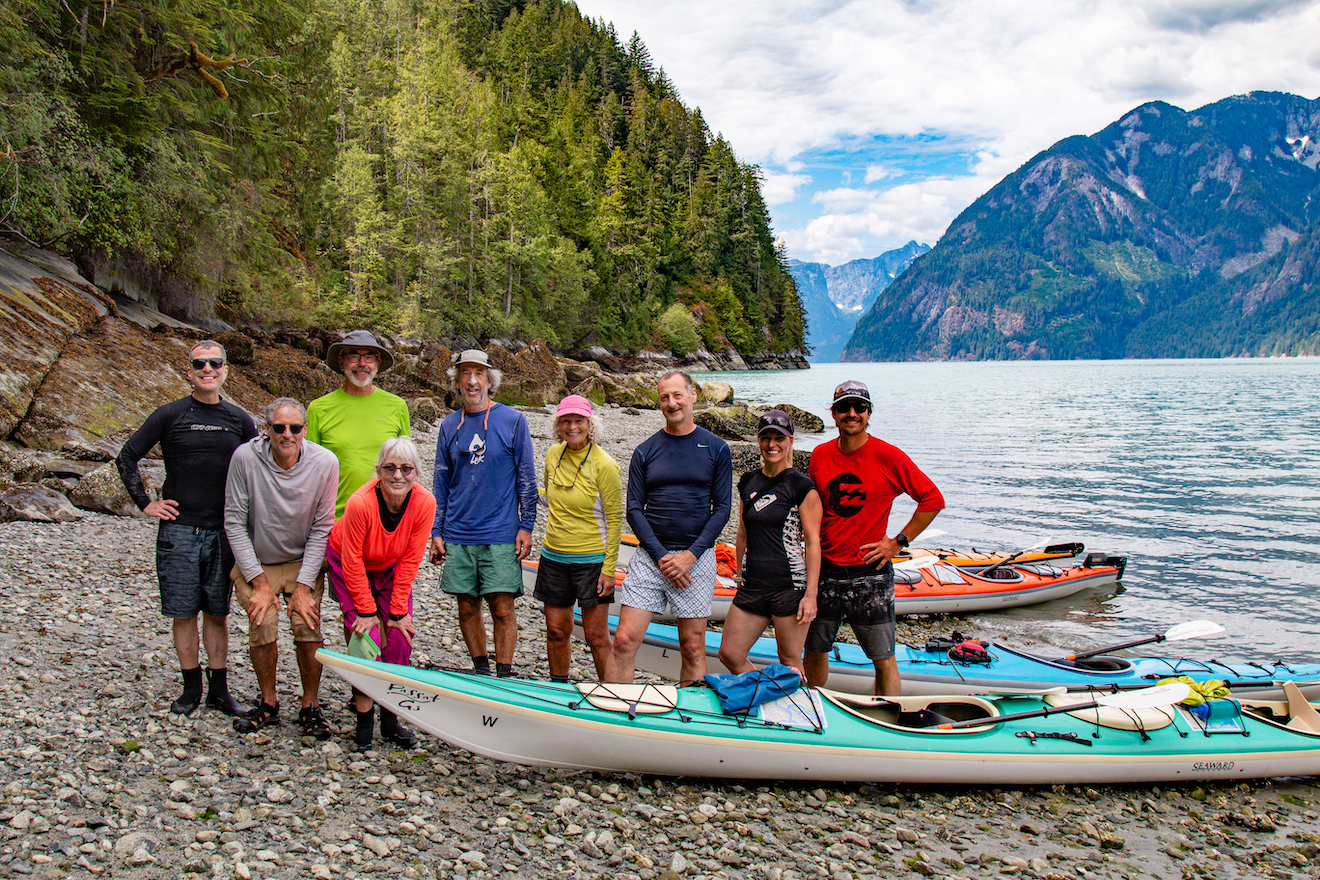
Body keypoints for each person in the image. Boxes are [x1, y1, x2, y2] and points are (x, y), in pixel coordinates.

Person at [115, 340, 257, 716]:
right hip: (179, 531)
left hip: (224, 530)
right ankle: (190, 688)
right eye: (199, 364)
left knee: (217, 612)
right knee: (183, 612)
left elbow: (259, 470)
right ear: (189, 370)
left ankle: (219, 689)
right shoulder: (170, 414)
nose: (207, 369)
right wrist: (146, 503)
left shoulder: (240, 419)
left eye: (215, 363)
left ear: (226, 369)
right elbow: (127, 456)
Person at [804, 380, 944, 695]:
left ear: (868, 414)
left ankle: (887, 718)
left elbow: (932, 499)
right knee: (814, 650)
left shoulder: (887, 456)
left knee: (883, 657)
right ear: (833, 413)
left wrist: (898, 542)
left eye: (859, 408)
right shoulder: (820, 455)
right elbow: (813, 509)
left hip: (870, 572)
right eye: (844, 408)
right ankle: (814, 707)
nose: (851, 414)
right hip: (825, 570)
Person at [606, 370, 732, 684]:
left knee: (692, 647)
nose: (671, 403)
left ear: (692, 396)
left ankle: (689, 719)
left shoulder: (716, 448)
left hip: (696, 560)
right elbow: (634, 510)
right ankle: (612, 708)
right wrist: (663, 557)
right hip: (652, 559)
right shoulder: (645, 451)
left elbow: (723, 509)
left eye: (677, 395)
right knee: (623, 641)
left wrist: (690, 555)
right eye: (665, 397)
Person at [224, 397, 339, 738]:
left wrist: (304, 587)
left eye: (294, 428)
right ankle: (269, 702)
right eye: (278, 428)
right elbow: (233, 522)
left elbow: (323, 527)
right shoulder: (245, 458)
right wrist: (258, 582)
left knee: (306, 622)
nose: (286, 435)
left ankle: (310, 704)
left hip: (303, 558)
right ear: (266, 430)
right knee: (263, 620)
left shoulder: (325, 462)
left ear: (305, 430)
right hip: (259, 559)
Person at [429, 350, 537, 678]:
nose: (472, 380)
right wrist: (437, 531)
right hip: (459, 533)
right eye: (466, 374)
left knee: (502, 607)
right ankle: (481, 670)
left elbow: (527, 477)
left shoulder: (513, 421)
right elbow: (441, 481)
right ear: (458, 381)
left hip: (501, 533)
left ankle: (504, 673)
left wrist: (526, 525)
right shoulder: (449, 425)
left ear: (490, 380)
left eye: (479, 373)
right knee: (466, 607)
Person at [326, 436, 436, 751]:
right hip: (349, 559)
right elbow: (351, 561)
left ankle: (390, 718)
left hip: (390, 565)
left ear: (416, 473)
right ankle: (364, 719)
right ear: (379, 470)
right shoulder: (360, 503)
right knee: (364, 636)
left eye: (406, 469)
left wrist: (398, 612)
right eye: (390, 468)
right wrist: (365, 609)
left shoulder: (425, 502)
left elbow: (411, 559)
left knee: (399, 638)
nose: (397, 475)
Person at [717, 410, 821, 678]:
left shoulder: (802, 486)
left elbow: (812, 543)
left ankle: (800, 714)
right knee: (730, 653)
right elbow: (742, 532)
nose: (772, 445)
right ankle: (769, 697)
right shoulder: (749, 481)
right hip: (753, 585)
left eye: (779, 438)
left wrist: (810, 595)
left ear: (790, 442)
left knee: (789, 661)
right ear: (758, 441)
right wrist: (739, 572)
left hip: (789, 586)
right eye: (766, 438)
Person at [534, 395, 622, 681]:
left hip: (592, 562)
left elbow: (615, 520)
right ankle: (559, 688)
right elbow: (550, 498)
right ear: (558, 424)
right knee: (556, 631)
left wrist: (609, 570)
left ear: (590, 424)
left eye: (578, 421)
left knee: (596, 637)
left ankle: (612, 698)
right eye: (566, 421)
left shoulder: (605, 465)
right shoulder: (552, 455)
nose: (572, 427)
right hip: (553, 557)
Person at [306, 330, 411, 518]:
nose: (362, 364)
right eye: (354, 355)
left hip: (384, 519)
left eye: (369, 357)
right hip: (335, 521)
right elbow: (308, 473)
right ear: (341, 361)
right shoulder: (318, 409)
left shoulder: (397, 406)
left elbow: (407, 468)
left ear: (377, 364)